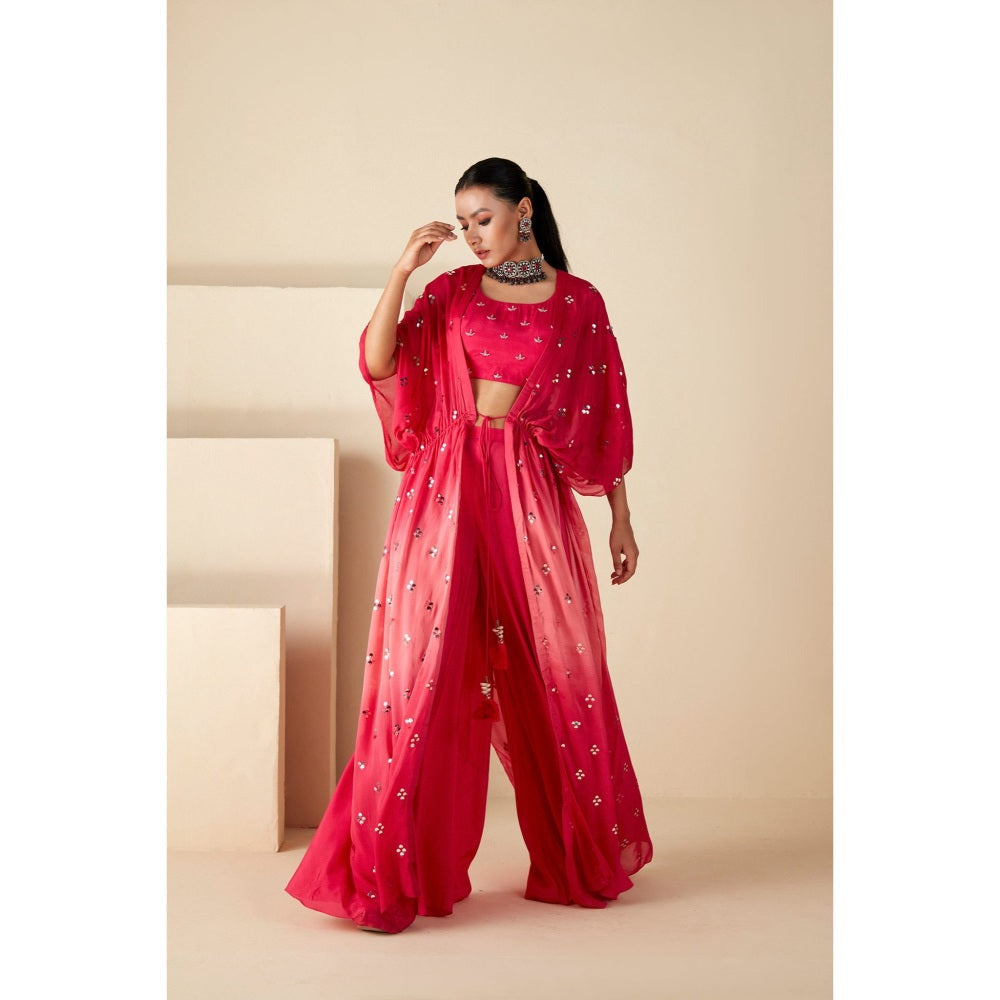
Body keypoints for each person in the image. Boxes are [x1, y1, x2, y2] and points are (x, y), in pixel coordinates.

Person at [284, 157, 653, 934]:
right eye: (462, 223)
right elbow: (379, 361)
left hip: (531, 495)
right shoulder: (450, 291)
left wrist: (620, 518)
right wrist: (402, 271)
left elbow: (603, 417)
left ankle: (577, 857)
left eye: (482, 218)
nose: (471, 235)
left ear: (523, 211)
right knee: (418, 676)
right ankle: (389, 870)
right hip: (444, 492)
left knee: (560, 669)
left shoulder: (579, 303)